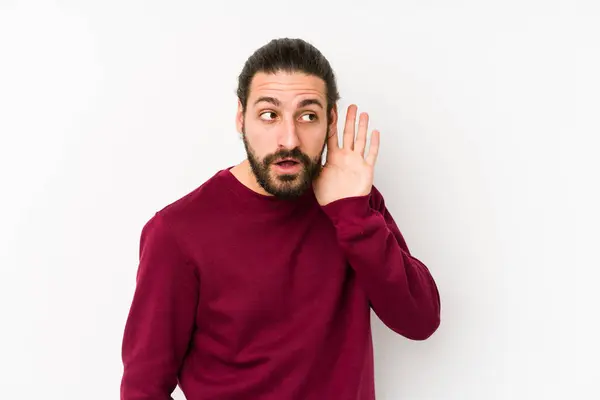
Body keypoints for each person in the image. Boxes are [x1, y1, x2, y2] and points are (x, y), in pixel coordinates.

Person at [120, 37, 441, 400]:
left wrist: (352, 214)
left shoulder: (353, 203)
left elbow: (420, 320)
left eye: (308, 116)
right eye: (269, 115)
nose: (288, 138)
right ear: (241, 117)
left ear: (330, 121)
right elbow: (143, 387)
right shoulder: (177, 232)